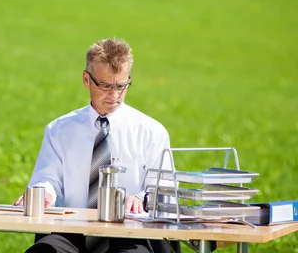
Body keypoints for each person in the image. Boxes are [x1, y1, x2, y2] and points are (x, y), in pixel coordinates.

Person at [14, 37, 178, 253]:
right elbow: (47, 179)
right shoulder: (59, 130)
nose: (114, 95)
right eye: (105, 85)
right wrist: (44, 193)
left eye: (122, 86)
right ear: (86, 79)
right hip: (72, 230)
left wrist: (140, 198)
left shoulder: (152, 132)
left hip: (130, 231)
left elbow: (164, 191)